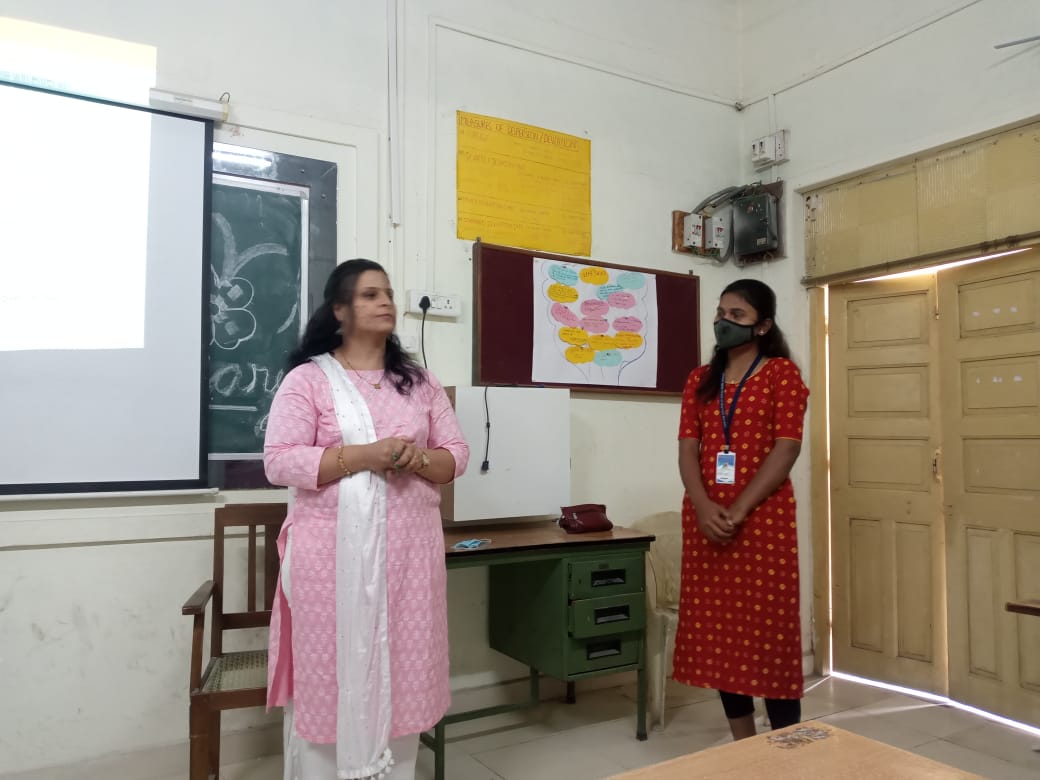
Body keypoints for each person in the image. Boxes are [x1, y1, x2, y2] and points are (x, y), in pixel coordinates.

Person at [263, 259, 469, 780]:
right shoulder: (309, 380)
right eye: (370, 294)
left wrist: (415, 459)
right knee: (331, 673)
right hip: (330, 566)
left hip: (410, 563)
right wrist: (367, 455)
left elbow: (455, 457)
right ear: (340, 310)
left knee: (405, 670)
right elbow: (280, 462)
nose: (385, 302)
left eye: (388, 293)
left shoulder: (420, 384)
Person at [673, 278, 809, 740]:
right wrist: (703, 506)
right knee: (721, 641)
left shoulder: (781, 375)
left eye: (737, 315)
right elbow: (687, 449)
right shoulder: (700, 379)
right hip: (707, 523)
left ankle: (785, 752)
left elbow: (787, 448)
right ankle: (743, 747)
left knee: (769, 640)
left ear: (763, 326)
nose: (723, 322)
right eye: (721, 313)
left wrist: (739, 509)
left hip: (763, 523)